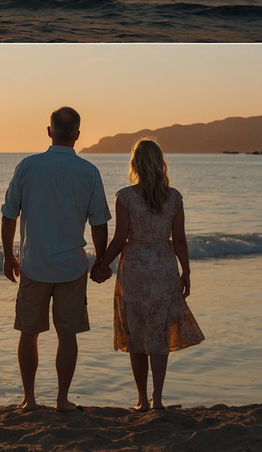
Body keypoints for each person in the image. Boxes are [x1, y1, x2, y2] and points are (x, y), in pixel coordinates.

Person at [1, 106, 112, 412]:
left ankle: (30, 399)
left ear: (49, 132)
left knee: (29, 332)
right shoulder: (89, 171)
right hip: (71, 265)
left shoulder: (28, 166)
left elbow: (9, 214)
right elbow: (99, 223)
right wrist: (100, 261)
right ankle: (62, 400)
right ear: (77, 135)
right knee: (68, 334)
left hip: (34, 264)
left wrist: (8, 254)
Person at [95, 138, 204, 411]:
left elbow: (120, 239)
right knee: (158, 333)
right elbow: (179, 240)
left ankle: (141, 400)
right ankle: (157, 399)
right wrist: (186, 271)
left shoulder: (126, 196)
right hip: (164, 266)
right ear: (160, 163)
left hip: (135, 267)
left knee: (136, 333)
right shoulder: (174, 197)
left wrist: (101, 264)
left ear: (135, 163)